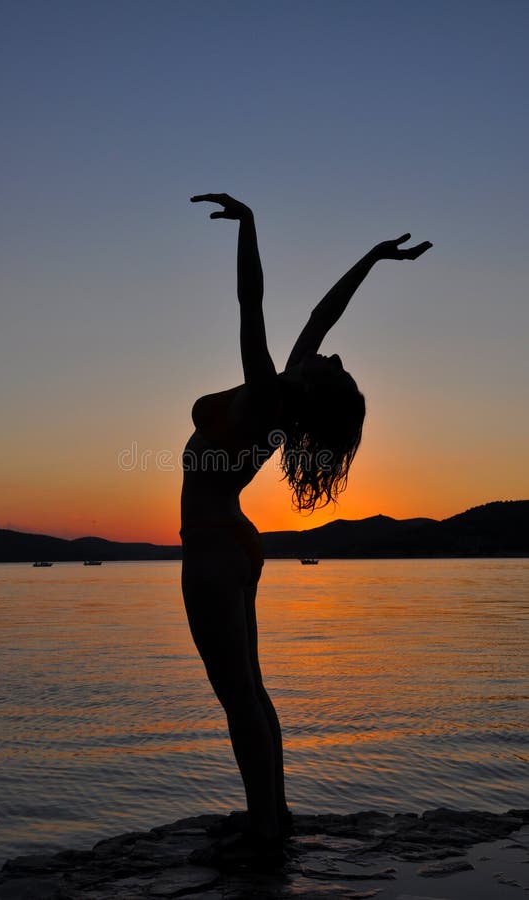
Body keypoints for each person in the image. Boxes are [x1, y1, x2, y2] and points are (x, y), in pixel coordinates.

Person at [181, 193, 431, 865]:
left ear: (313, 392)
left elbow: (249, 303)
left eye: (333, 367)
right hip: (235, 543)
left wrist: (250, 226)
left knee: (238, 695)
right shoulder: (281, 395)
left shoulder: (268, 396)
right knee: (251, 688)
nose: (330, 354)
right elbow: (324, 314)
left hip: (213, 551)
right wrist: (374, 258)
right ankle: (274, 811)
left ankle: (265, 826)